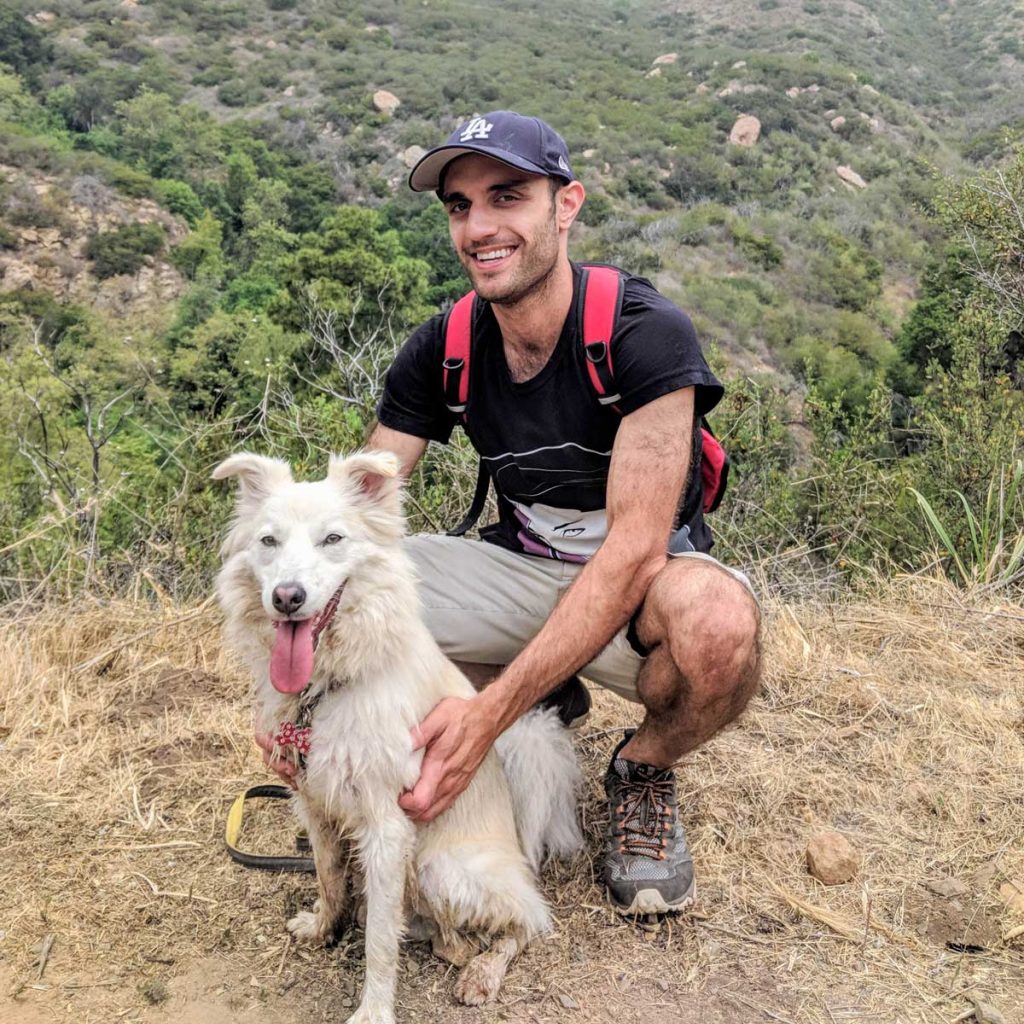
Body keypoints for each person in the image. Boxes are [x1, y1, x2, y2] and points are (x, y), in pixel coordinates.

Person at [259, 111, 761, 915]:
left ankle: (642, 770)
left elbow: (633, 555)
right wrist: (293, 710)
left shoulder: (641, 335)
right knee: (371, 580)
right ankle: (542, 696)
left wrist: (487, 718)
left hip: (642, 587)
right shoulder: (445, 348)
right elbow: (343, 526)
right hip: (522, 567)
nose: (480, 227)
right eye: (460, 206)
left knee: (720, 627)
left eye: (507, 197)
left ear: (566, 206)